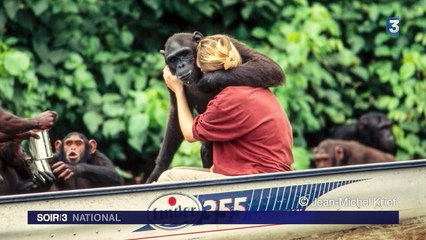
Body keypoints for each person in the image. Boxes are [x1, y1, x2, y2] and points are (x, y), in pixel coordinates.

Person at [158, 34, 293, 182]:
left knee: (169, 178)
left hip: (255, 176)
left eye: (184, 55)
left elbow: (276, 73)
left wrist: (211, 79)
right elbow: (176, 116)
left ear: (200, 60)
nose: (182, 66)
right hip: (261, 168)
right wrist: (160, 165)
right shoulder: (251, 92)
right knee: (201, 153)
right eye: (173, 60)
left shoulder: (229, 95)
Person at [51, 132, 123, 190]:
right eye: (69, 143)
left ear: (91, 147)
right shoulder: (56, 161)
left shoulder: (96, 157)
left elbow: (117, 180)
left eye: (78, 144)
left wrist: (81, 169)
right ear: (59, 147)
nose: (73, 148)